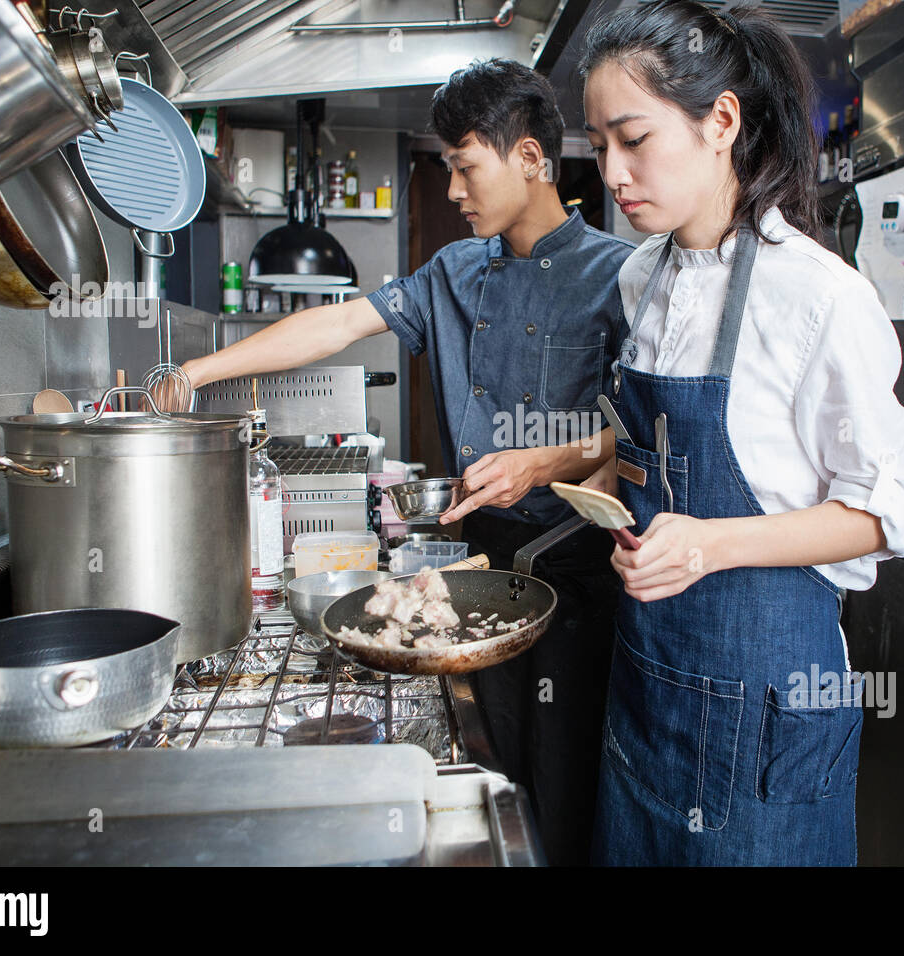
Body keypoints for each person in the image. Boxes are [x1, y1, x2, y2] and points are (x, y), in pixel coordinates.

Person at [176, 59, 632, 866]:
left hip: (578, 575)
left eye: (464, 166)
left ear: (530, 158)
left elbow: (636, 432)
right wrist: (197, 374)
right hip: (482, 562)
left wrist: (546, 459)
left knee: (566, 791)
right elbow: (336, 326)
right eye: (448, 169)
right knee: (493, 765)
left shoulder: (618, 274)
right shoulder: (455, 270)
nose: (454, 190)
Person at [516, 0, 904, 865]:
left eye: (635, 138)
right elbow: (650, 448)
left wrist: (708, 545)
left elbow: (884, 517)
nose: (614, 172)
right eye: (599, 144)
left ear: (722, 122)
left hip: (768, 709)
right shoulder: (638, 280)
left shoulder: (819, 297)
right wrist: (599, 484)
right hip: (648, 696)